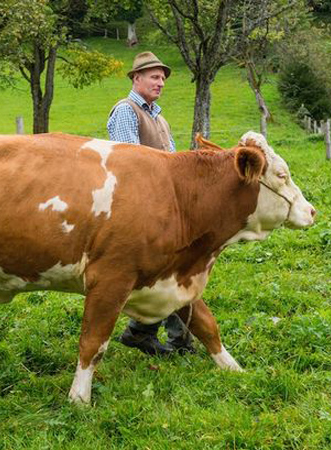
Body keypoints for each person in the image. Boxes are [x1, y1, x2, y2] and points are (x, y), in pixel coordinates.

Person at [107, 51, 195, 357]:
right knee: (164, 269)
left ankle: (149, 334)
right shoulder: (125, 111)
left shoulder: (160, 117)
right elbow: (130, 165)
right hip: (137, 207)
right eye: (154, 77)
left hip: (163, 205)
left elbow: (171, 163)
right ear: (137, 78)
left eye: (163, 78)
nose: (160, 83)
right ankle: (160, 335)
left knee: (168, 269)